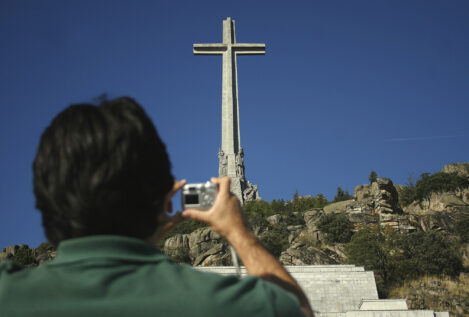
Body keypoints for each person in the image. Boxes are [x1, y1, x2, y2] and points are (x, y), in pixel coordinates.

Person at [0, 97, 314, 317]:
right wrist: (239, 233)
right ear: (166, 197)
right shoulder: (227, 305)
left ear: (43, 199)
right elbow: (296, 310)